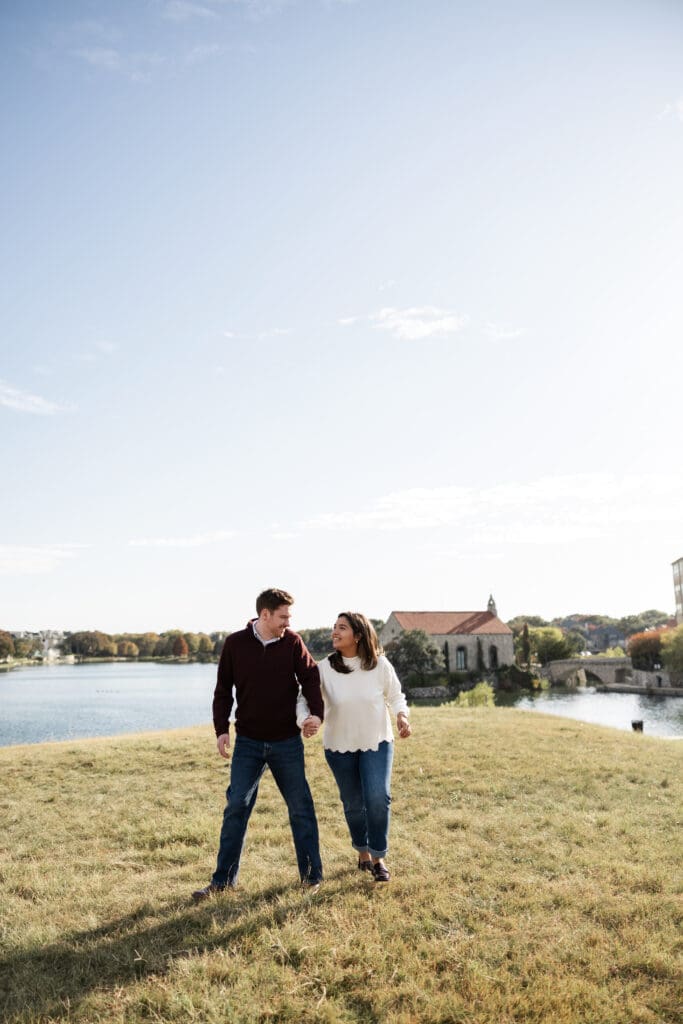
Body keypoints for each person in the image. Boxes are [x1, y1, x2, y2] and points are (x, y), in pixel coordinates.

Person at [192, 588, 324, 900]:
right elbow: (223, 689)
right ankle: (222, 881)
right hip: (248, 741)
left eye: (288, 617)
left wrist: (316, 715)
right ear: (264, 615)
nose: (287, 622)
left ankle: (311, 877)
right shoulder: (235, 644)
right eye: (283, 616)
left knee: (300, 807)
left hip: (286, 742)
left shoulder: (292, 642)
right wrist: (221, 729)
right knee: (236, 805)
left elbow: (311, 677)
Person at [317, 611, 411, 883]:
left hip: (377, 741)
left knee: (378, 798)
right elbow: (309, 700)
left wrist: (401, 716)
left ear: (358, 635)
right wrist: (308, 718)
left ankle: (379, 857)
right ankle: (362, 852)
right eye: (334, 627)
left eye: (342, 628)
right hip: (339, 745)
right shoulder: (324, 668)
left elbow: (395, 695)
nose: (335, 632)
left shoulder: (379, 665)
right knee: (354, 803)